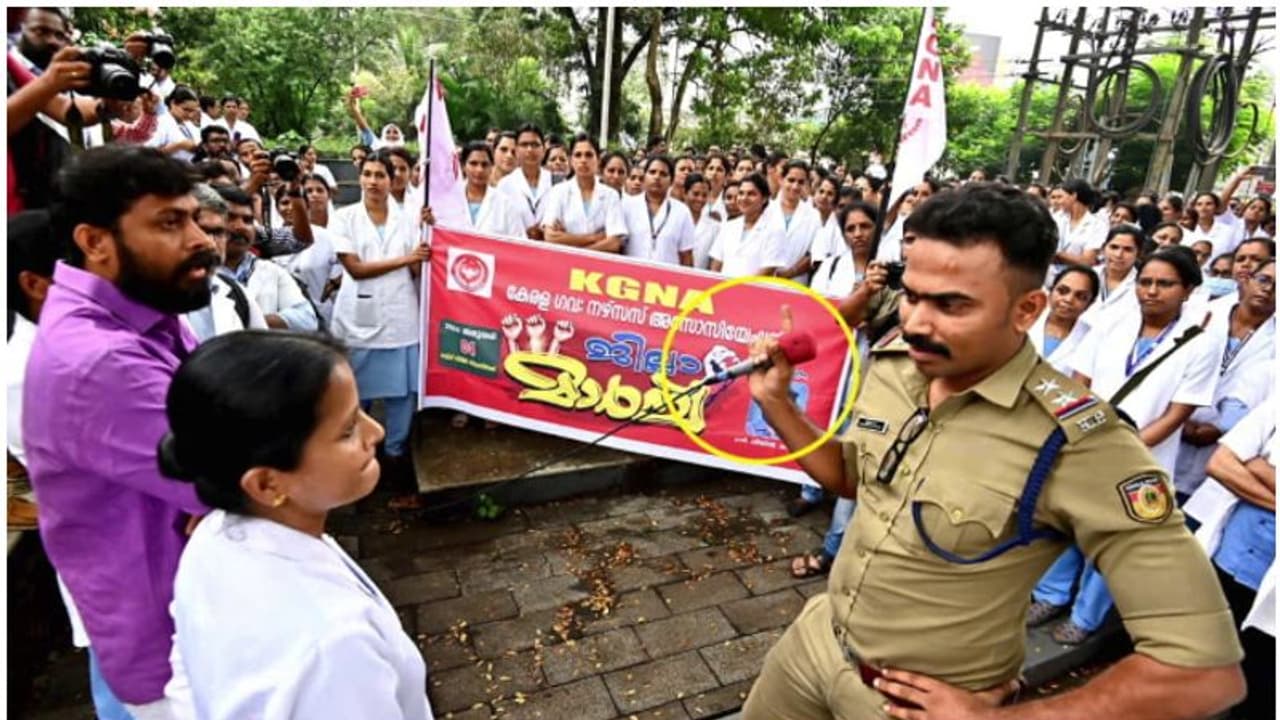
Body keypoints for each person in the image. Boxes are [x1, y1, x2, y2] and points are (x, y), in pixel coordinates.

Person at [740, 184, 1244, 720]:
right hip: (814, 646)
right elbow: (855, 478)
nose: (915, 324)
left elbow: (1203, 671)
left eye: (952, 305)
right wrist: (778, 405)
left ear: (1028, 309)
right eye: (912, 294)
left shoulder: (1079, 444)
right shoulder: (895, 365)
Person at [24, 146, 218, 716]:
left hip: (188, 613)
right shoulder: (99, 360)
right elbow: (240, 469)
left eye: (192, 218)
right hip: (171, 652)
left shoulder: (145, 309)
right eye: (169, 222)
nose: (200, 239)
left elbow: (228, 438)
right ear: (94, 242)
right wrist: (219, 491)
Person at [160, 331, 435, 720]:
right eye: (347, 429)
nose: (376, 433)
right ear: (267, 483)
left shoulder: (211, 538)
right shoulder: (333, 646)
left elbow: (185, 676)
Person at [1032, 246, 1223, 645]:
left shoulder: (1199, 342)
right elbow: (1080, 380)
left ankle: (1086, 616)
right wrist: (1081, 432)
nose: (1152, 291)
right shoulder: (1111, 324)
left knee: (1116, 536)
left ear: (1187, 290)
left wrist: (1122, 448)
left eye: (1165, 284)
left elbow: (1177, 413)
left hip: (1142, 457)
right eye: (1146, 282)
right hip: (1083, 442)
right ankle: (1051, 594)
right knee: (1069, 519)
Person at [329, 152, 429, 508]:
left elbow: (420, 270)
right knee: (356, 401)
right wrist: (407, 259)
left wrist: (430, 232)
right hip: (359, 322)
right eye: (367, 174)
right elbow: (355, 268)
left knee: (402, 401)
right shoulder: (344, 218)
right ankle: (349, 480)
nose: (373, 181)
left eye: (380, 175)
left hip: (401, 320)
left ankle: (399, 476)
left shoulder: (410, 221)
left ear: (393, 180)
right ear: (360, 178)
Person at [1185, 398, 1275, 720]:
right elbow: (1222, 463)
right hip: (1231, 558)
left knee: (1261, 684)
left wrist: (1261, 467)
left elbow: (1250, 462)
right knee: (1197, 662)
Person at [1175, 260, 1274, 501]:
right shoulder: (1202, 315)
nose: (1269, 289)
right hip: (1170, 425)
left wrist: (1220, 429)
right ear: (1247, 279)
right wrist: (1178, 419)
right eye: (1264, 280)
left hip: (1220, 445)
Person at [183, 184, 268, 341]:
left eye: (218, 232)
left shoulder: (238, 295)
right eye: (203, 231)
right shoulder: (145, 301)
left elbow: (263, 359)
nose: (211, 243)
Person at [604, 155, 695, 266]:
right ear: (645, 177)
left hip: (668, 280)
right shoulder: (626, 206)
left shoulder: (682, 212)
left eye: (663, 174)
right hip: (630, 277)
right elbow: (617, 246)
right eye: (652, 172)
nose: (657, 177)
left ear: (671, 180)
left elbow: (686, 256)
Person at [542, 133, 620, 251]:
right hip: (564, 264)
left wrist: (573, 246)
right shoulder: (558, 191)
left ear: (598, 160)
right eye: (578, 155)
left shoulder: (610, 195)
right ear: (571, 160)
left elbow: (614, 243)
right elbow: (550, 236)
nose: (583, 160)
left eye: (589, 155)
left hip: (599, 267)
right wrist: (594, 238)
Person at [707, 173, 783, 277]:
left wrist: (742, 290)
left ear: (764, 198)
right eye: (741, 193)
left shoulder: (774, 230)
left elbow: (767, 270)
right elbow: (716, 264)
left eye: (751, 194)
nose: (744, 198)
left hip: (755, 291)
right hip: (723, 290)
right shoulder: (729, 226)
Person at [1029, 264, 1100, 373]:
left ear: (1090, 303)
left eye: (1080, 296)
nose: (1068, 299)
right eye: (1062, 291)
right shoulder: (1026, 318)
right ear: (1051, 291)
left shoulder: (1090, 338)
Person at [496, 123, 552, 240]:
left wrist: (545, 231)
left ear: (544, 150)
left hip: (551, 251)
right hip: (517, 253)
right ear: (516, 149)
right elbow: (499, 227)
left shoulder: (557, 183)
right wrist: (524, 233)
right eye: (524, 144)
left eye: (535, 145)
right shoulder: (504, 186)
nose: (530, 150)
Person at [1086, 224, 1142, 326]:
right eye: (1114, 247)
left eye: (1128, 249)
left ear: (1138, 254)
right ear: (1103, 249)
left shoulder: (1141, 285)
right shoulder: (1087, 276)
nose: (1119, 255)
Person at [1054, 178, 1108, 270]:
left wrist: (1056, 255)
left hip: (1076, 276)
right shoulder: (1056, 218)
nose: (1058, 202)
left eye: (1061, 197)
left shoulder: (1098, 226)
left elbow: (1087, 261)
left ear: (1074, 196)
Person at [148, 85, 202, 163]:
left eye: (192, 111)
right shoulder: (160, 123)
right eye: (186, 110)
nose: (190, 115)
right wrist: (179, 146)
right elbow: (148, 154)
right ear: (173, 103)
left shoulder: (189, 125)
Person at [684, 172, 720, 270]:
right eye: (695, 194)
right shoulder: (674, 220)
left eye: (704, 195)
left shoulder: (715, 228)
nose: (700, 199)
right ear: (685, 193)